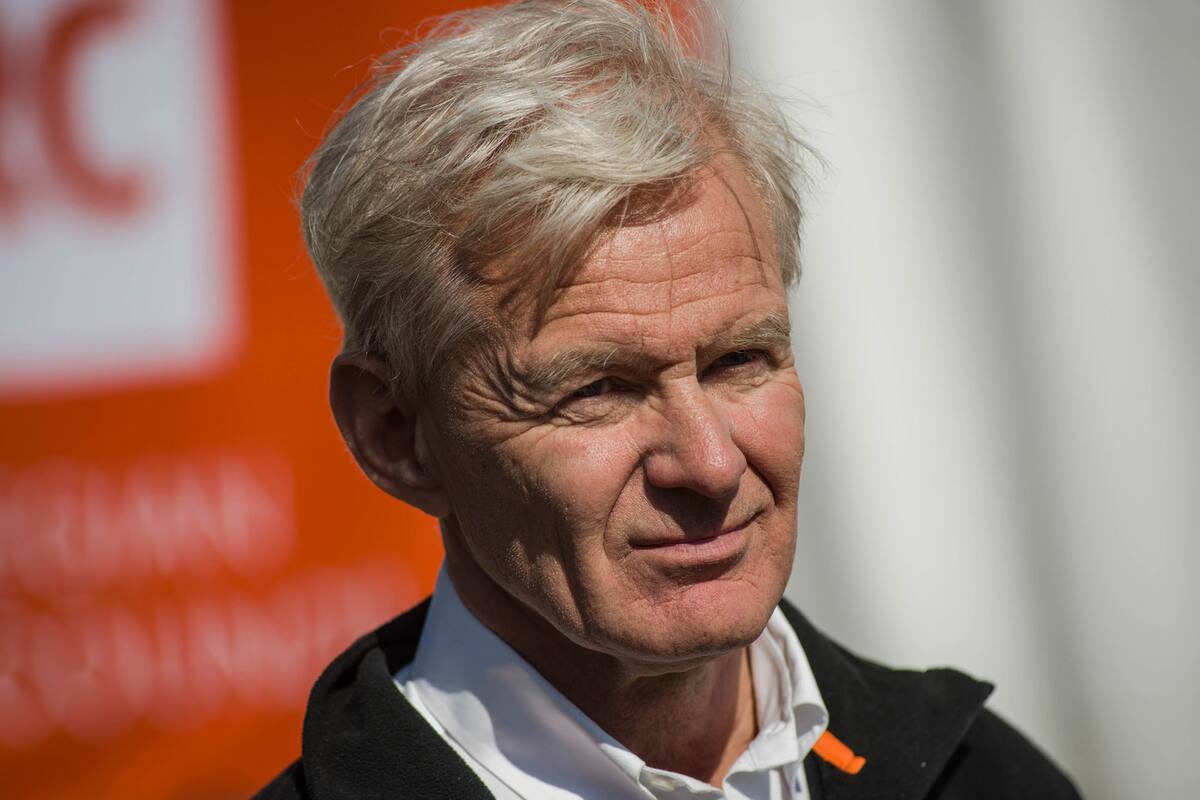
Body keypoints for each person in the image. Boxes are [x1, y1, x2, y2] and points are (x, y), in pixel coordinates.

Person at [257, 1, 1081, 798]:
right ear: (397, 434)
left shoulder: (985, 777)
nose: (711, 464)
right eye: (599, 389)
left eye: (738, 361)